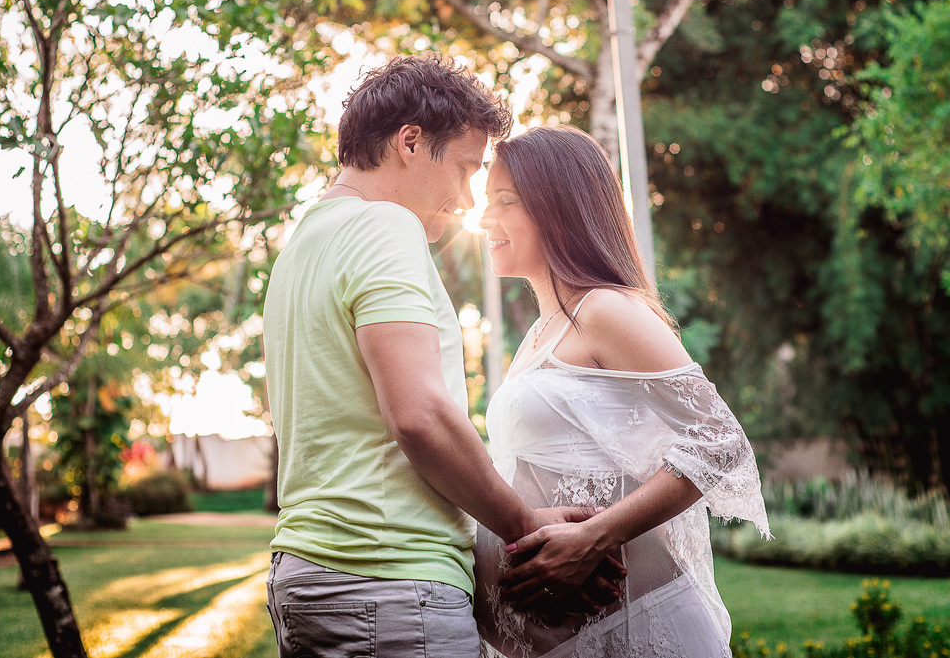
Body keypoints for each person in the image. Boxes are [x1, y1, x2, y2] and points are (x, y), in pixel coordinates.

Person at [261, 55, 617, 658]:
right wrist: (527, 530)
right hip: (389, 585)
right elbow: (418, 414)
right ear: (409, 142)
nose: (464, 199)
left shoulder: (303, 243)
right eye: (464, 169)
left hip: (310, 581)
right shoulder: (383, 227)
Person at [474, 125, 771, 658]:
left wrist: (594, 538)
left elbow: (720, 443)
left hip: (638, 630)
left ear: (558, 207)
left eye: (504, 201)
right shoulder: (539, 334)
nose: (483, 219)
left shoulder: (604, 309)